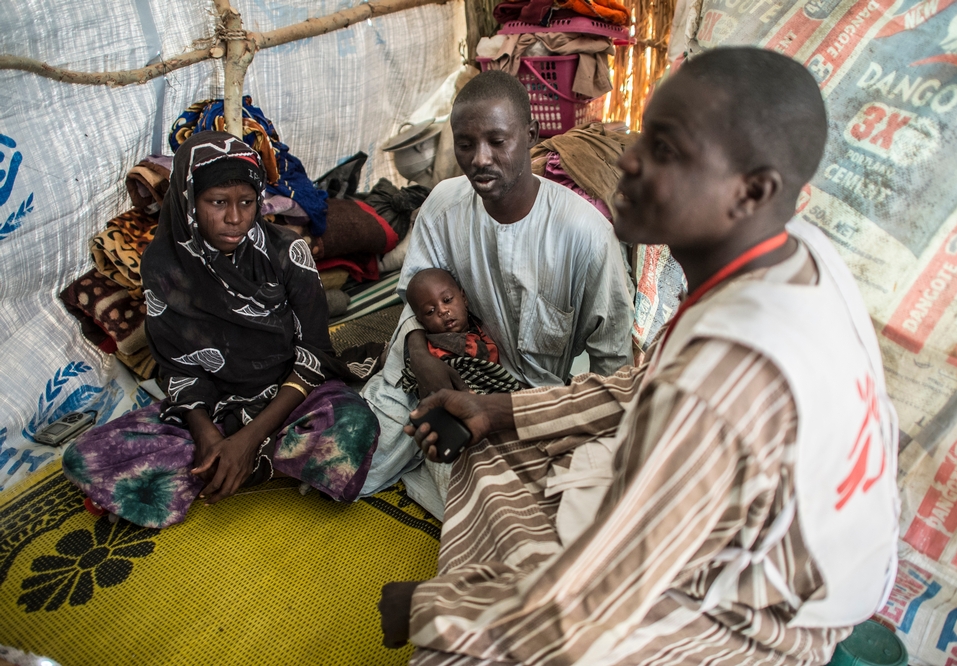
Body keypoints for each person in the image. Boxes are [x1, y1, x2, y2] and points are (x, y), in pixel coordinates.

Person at [380, 47, 900, 665]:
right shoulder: (795, 256)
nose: (626, 160)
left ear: (751, 191)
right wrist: (494, 411)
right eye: (644, 136)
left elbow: (605, 595)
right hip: (800, 558)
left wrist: (429, 608)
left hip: (764, 617)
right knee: (489, 451)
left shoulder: (719, 376)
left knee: (464, 651)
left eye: (666, 151)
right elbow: (632, 387)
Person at [63, 132, 380, 529]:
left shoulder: (286, 252)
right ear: (188, 201)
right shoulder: (163, 264)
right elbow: (177, 368)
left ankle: (224, 467)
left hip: (289, 400)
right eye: (217, 203)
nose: (235, 218)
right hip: (213, 409)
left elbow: (315, 355)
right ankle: (240, 462)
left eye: (246, 203)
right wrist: (208, 437)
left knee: (353, 422)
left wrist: (247, 442)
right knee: (83, 457)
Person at [359, 70, 634, 516]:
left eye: (497, 142)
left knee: (515, 510)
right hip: (436, 370)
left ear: (530, 135)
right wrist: (419, 353)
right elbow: (414, 291)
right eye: (465, 145)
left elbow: (613, 365)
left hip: (521, 404)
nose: (480, 159)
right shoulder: (444, 205)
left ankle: (437, 467)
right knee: (357, 467)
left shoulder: (585, 235)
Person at [400, 268, 520, 396]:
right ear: (422, 322)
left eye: (447, 300)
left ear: (463, 298)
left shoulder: (474, 328)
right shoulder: (442, 352)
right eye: (430, 311)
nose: (443, 311)